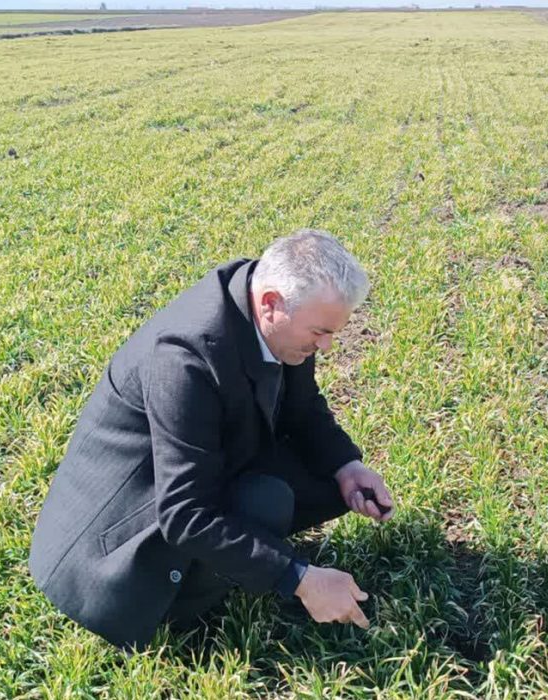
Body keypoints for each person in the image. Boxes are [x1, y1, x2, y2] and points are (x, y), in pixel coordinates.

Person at [29, 229, 394, 649]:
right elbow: (184, 513)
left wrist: (346, 466)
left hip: (186, 475)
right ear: (271, 304)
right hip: (109, 555)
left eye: (333, 333)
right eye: (319, 333)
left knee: (327, 483)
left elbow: (303, 405)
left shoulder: (269, 313)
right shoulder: (184, 359)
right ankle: (179, 605)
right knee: (267, 502)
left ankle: (235, 555)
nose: (327, 347)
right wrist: (298, 578)